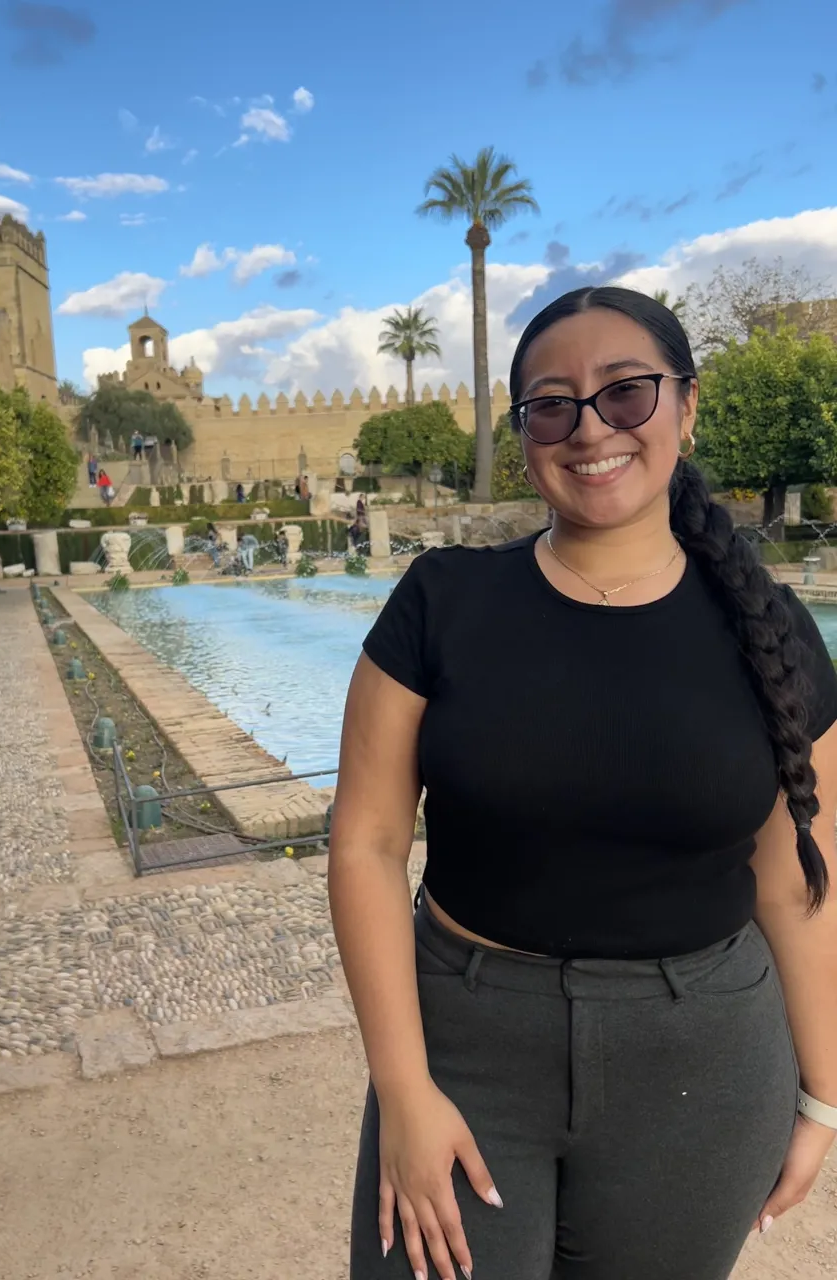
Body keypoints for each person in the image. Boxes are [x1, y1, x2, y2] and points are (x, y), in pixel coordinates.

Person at [333, 286, 837, 1280]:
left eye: (626, 393)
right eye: (552, 403)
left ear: (687, 408)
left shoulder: (773, 631)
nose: (590, 426)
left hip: (702, 1058)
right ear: (525, 432)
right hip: (468, 1041)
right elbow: (367, 842)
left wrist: (824, 1093)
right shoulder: (442, 603)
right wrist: (404, 1085)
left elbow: (796, 883)